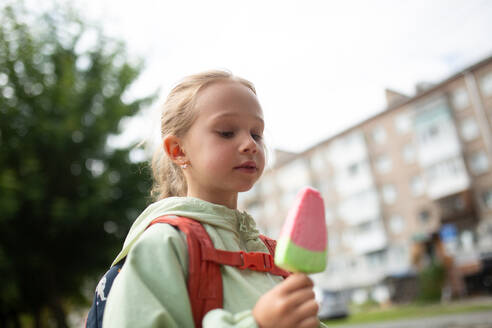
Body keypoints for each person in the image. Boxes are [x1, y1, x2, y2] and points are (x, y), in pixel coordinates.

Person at [102, 70, 324, 328]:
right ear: (178, 150)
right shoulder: (163, 244)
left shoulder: (270, 252)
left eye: (256, 133)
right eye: (227, 132)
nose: (250, 144)